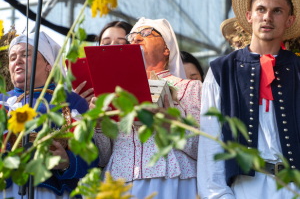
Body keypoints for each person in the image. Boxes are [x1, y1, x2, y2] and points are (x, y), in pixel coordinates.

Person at [197, 0, 300, 198]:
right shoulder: (222, 70)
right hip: (244, 188)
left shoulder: (298, 70)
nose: (267, 17)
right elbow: (211, 140)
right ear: (249, 16)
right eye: (261, 10)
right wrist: (218, 195)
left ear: (290, 20)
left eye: (277, 11)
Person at [92, 17, 202, 199]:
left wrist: (173, 127)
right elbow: (103, 158)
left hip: (171, 182)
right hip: (120, 184)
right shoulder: (116, 92)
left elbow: (205, 150)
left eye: (146, 33)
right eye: (132, 36)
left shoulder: (189, 88)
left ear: (167, 48)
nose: (136, 38)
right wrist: (99, 124)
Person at [1, 31, 99, 198]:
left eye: (26, 54)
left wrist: (67, 161)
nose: (17, 61)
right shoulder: (2, 102)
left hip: (53, 192)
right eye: (12, 57)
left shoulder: (70, 102)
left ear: (49, 65)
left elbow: (91, 158)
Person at [74, 20, 132, 103]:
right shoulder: (84, 79)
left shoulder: (149, 79)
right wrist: (78, 109)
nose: (112, 47)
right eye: (106, 43)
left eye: (120, 44)